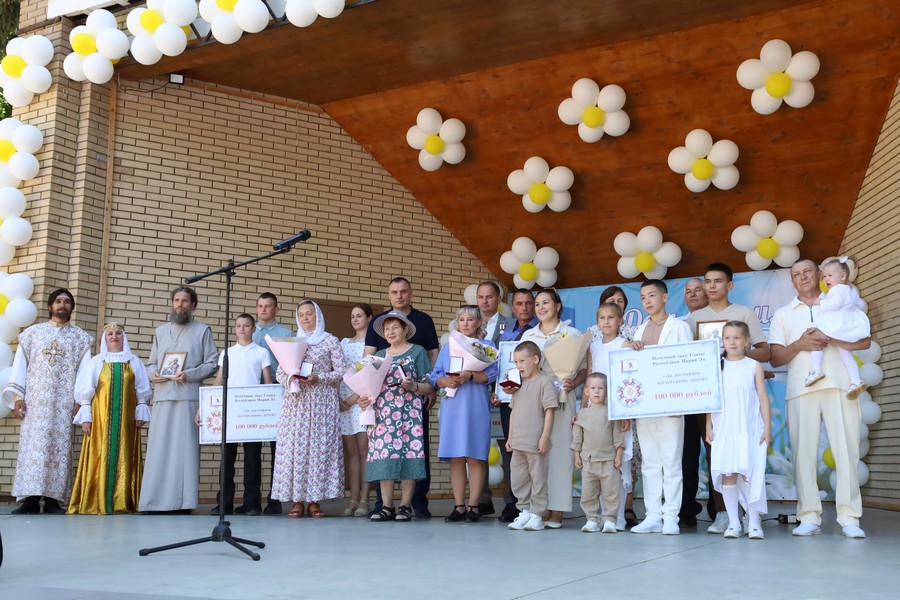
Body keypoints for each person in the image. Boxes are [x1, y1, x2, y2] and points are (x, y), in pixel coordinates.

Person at [769, 259, 868, 538]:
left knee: (847, 451)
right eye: (796, 274)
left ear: (819, 275)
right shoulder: (783, 314)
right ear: (792, 281)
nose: (802, 277)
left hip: (841, 386)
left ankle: (849, 517)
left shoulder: (839, 300)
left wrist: (832, 339)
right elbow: (775, 357)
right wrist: (800, 344)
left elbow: (865, 340)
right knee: (803, 455)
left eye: (807, 271)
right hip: (801, 389)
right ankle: (809, 516)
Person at [686, 262, 771, 532]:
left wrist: (735, 357)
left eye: (718, 281)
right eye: (708, 281)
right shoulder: (693, 319)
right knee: (717, 455)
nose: (712, 286)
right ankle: (724, 514)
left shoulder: (744, 313)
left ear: (730, 285)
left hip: (741, 404)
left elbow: (765, 351)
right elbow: (687, 358)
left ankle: (750, 515)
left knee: (745, 459)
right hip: (710, 398)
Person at [3, 289, 93, 514]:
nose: (62, 305)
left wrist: (80, 401)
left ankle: (53, 500)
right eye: (58, 301)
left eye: (67, 302)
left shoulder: (81, 338)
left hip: (64, 404)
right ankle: (30, 501)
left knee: (58, 451)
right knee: (32, 450)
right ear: (50, 306)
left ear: (72, 307)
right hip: (35, 403)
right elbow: (20, 365)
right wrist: (18, 397)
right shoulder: (32, 334)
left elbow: (85, 373)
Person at [364, 277, 439, 518]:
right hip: (384, 413)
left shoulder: (417, 351)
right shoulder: (379, 355)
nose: (390, 332)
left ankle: (406, 505)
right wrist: (362, 398)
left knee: (410, 455)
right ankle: (386, 506)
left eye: (395, 328)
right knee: (385, 455)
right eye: (387, 329)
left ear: (405, 329)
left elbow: (430, 382)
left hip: (410, 412)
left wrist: (416, 386)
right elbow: (367, 382)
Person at [139, 286, 218, 513]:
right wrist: (153, 374)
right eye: (176, 300)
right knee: (159, 451)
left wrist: (189, 374)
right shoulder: (160, 331)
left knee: (185, 452)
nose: (180, 305)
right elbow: (151, 363)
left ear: (193, 305)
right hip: (163, 398)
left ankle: (183, 503)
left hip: (187, 398)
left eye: (185, 301)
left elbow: (212, 363)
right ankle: (153, 502)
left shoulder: (202, 330)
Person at [628, 279, 693, 535]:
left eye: (652, 295)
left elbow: (687, 363)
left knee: (671, 462)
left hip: (670, 404)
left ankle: (671, 516)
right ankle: (653, 514)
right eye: (643, 297)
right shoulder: (639, 330)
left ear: (665, 297)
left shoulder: (679, 327)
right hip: (645, 405)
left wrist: (681, 401)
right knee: (650, 463)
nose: (647, 301)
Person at [272, 300, 346, 518]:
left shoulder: (330, 340)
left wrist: (319, 377)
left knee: (318, 449)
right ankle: (297, 500)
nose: (305, 318)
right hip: (297, 403)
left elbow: (341, 371)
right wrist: (291, 377)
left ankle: (315, 501)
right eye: (301, 315)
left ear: (318, 316)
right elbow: (279, 374)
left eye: (309, 314)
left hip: (322, 402)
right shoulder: (292, 342)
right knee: (296, 449)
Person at [519, 288, 586, 528]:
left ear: (557, 306)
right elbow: (518, 367)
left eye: (546, 302)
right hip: (532, 403)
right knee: (535, 455)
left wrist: (573, 383)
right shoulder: (528, 335)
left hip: (561, 400)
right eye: (537, 304)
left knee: (559, 454)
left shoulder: (571, 334)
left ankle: (557, 510)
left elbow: (584, 369)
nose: (541, 307)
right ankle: (538, 508)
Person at [68, 323, 151, 514]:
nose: (114, 336)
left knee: (125, 454)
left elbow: (142, 389)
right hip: (100, 421)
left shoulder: (134, 362)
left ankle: (123, 501)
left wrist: (141, 408)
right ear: (104, 339)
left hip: (127, 421)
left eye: (118, 333)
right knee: (99, 454)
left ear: (124, 337)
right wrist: (86, 417)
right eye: (110, 334)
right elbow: (85, 392)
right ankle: (95, 500)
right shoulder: (96, 362)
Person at [430, 305, 499, 522]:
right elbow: (435, 375)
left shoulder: (487, 347)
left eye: (470, 319)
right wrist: (444, 381)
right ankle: (459, 506)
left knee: (475, 456)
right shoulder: (447, 347)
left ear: (479, 322)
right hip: (452, 405)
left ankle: (474, 506)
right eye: (462, 319)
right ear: (457, 323)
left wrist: (470, 375)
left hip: (475, 405)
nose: (466, 323)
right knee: (456, 457)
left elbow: (491, 375)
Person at [706, 321, 771, 539]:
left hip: (749, 427)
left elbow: (763, 398)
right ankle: (734, 523)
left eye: (737, 338)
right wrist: (708, 426)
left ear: (746, 341)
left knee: (749, 473)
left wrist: (767, 427)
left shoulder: (753, 365)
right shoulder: (717, 366)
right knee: (728, 474)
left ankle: (754, 522)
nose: (732, 342)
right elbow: (711, 399)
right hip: (724, 428)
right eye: (727, 338)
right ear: (722, 341)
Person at [202, 314, 272, 515]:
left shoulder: (261, 352)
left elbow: (267, 382)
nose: (242, 329)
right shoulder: (227, 353)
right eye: (239, 325)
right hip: (229, 411)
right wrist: (204, 408)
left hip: (251, 412)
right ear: (234, 328)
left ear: (253, 329)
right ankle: (224, 503)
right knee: (227, 459)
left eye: (246, 325)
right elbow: (218, 381)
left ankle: (252, 504)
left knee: (252, 459)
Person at [585, 302, 633, 530]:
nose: (606, 322)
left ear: (620, 320)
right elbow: (589, 376)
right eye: (602, 318)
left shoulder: (624, 344)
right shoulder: (593, 346)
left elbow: (628, 378)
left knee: (618, 464)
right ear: (597, 321)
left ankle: (618, 517)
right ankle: (602, 517)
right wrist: (584, 409)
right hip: (596, 413)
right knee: (600, 463)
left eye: (611, 317)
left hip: (617, 410)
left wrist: (625, 412)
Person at [494, 288, 539, 523]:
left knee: (534, 452)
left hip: (534, 399)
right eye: (519, 303)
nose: (524, 308)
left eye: (528, 303)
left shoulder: (539, 332)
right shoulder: (506, 335)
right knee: (511, 452)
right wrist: (497, 391)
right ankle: (513, 504)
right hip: (508, 399)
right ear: (513, 307)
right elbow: (499, 367)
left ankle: (535, 506)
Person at [505, 341, 558, 531]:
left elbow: (550, 411)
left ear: (535, 359)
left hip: (535, 443)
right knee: (518, 479)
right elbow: (513, 411)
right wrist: (510, 437)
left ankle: (537, 514)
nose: (518, 366)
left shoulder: (544, 382)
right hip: (518, 442)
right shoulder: (517, 385)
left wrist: (544, 437)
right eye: (516, 362)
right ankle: (525, 511)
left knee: (538, 479)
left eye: (522, 361)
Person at [252, 291, 294, 515]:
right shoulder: (249, 331)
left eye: (268, 306)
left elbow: (293, 364)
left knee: (277, 449)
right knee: (252, 449)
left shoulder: (286, 334)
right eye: (260, 306)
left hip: (277, 392)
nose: (263, 310)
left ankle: (274, 500)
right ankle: (251, 501)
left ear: (276, 309)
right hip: (251, 394)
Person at [806, 257, 870, 399]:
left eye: (830, 275)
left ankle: (816, 370)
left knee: (815, 338)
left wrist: (820, 302)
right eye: (824, 276)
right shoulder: (850, 290)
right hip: (847, 326)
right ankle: (856, 380)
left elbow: (834, 304)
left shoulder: (836, 290)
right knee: (846, 354)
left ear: (842, 276)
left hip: (836, 324)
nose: (826, 279)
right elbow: (859, 304)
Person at [573, 373, 624, 533]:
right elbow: (577, 437)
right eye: (593, 388)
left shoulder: (610, 412)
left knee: (611, 493)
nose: (596, 391)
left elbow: (617, 434)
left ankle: (609, 520)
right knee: (588, 493)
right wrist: (577, 455)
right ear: (586, 391)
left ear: (606, 391)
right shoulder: (582, 414)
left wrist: (619, 454)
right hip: (588, 461)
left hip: (608, 460)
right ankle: (592, 520)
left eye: (601, 388)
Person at [338, 303, 374, 517]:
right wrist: (339, 397)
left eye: (359, 315)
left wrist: (353, 398)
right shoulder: (343, 342)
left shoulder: (372, 343)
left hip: (361, 400)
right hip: (344, 401)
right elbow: (338, 370)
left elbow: (370, 371)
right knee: (351, 453)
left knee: (364, 451)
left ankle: (365, 499)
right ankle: (353, 498)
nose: (355, 319)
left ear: (369, 318)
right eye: (353, 316)